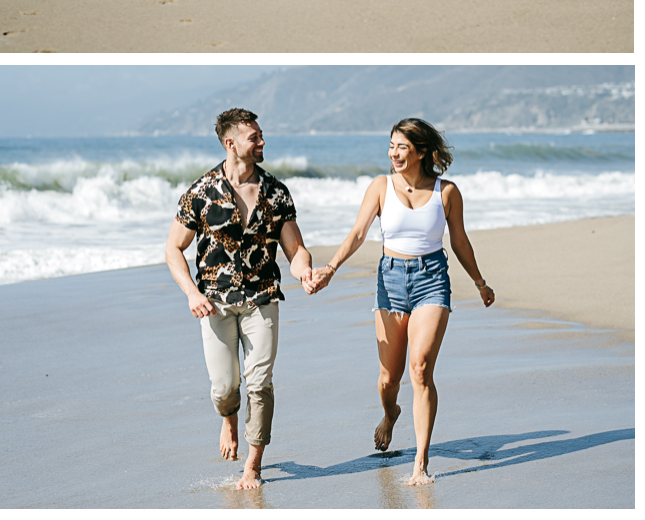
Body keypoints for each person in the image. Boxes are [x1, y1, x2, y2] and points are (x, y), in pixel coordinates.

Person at [308, 118, 494, 486]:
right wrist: (330, 268)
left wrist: (479, 282)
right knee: (387, 379)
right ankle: (391, 414)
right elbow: (359, 233)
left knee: (421, 370)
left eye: (402, 147)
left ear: (422, 152)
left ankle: (420, 463)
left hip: (432, 280)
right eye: (391, 145)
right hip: (390, 281)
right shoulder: (380, 187)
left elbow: (459, 241)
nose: (393, 153)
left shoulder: (447, 192)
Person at [165, 108, 315, 490]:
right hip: (214, 302)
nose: (262, 142)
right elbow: (173, 249)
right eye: (255, 137)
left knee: (260, 383)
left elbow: (295, 249)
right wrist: (191, 293)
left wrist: (305, 272)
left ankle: (253, 464)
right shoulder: (200, 192)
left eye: (261, 135)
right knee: (223, 387)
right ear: (231, 143)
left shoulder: (276, 192)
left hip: (262, 298)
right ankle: (228, 418)